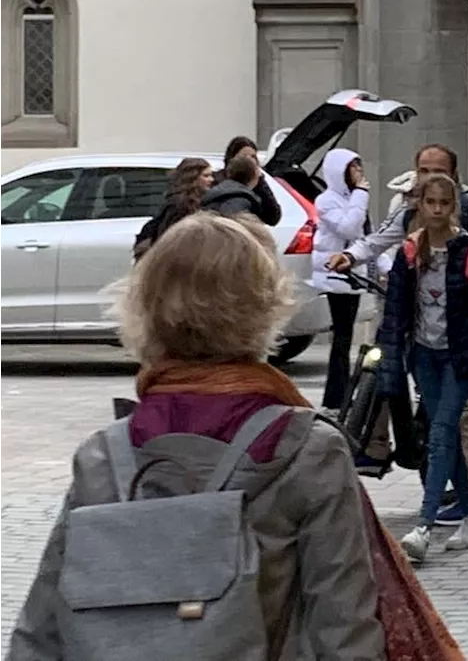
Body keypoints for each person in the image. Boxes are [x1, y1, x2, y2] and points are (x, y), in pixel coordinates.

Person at [7, 212, 385, 659]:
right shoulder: (306, 450)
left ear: (143, 307)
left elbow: (41, 633)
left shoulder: (106, 457)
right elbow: (345, 632)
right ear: (265, 308)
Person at [329, 143, 468, 522]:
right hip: (420, 330)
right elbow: (378, 240)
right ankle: (379, 448)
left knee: (463, 416)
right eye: (422, 170)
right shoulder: (410, 211)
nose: (428, 180)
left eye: (436, 170)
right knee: (388, 377)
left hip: (463, 331)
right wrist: (350, 257)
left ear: (454, 177)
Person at [378, 172, 468, 561]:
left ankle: (424, 527)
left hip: (457, 358)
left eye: (444, 204)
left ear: (454, 208)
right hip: (424, 355)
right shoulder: (410, 252)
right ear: (419, 205)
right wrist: (393, 365)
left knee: (441, 434)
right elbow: (395, 313)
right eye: (430, 202)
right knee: (443, 434)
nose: (436, 210)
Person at [311, 149, 372, 420]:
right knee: (342, 337)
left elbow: (365, 237)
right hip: (335, 276)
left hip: (351, 273)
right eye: (353, 168)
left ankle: (340, 395)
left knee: (344, 337)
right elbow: (349, 228)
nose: (359, 173)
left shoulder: (352, 199)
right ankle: (336, 398)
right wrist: (360, 194)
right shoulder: (326, 201)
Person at [133, 157, 216, 259]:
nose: (211, 180)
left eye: (211, 175)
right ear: (193, 177)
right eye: (206, 176)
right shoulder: (180, 204)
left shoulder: (202, 200)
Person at [201, 136, 282, 225]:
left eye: (253, 156)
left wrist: (259, 184)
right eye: (244, 156)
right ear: (232, 158)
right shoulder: (216, 181)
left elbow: (273, 217)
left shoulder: (258, 182)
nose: (249, 160)